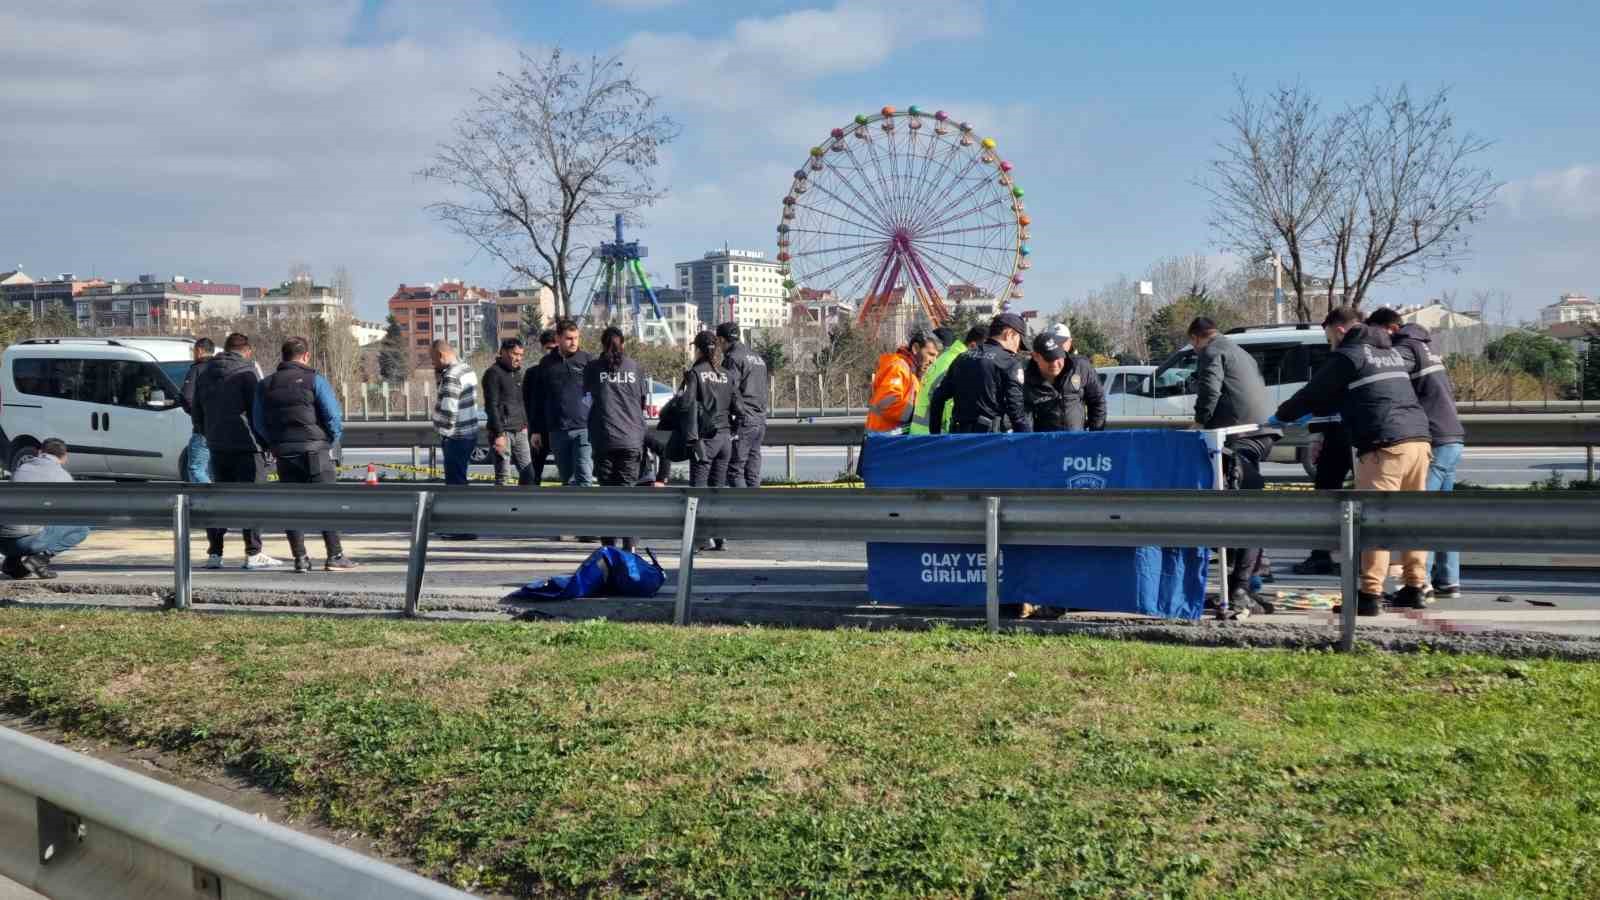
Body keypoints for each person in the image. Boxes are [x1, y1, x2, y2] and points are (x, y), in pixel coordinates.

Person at [1272, 307, 1433, 615]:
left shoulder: (1349, 354)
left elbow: (1313, 393)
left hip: (1385, 445)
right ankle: (1415, 587)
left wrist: (1280, 416)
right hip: (1419, 441)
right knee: (1411, 518)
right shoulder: (1390, 353)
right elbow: (1350, 394)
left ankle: (1369, 595)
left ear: (1340, 330)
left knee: (1373, 520)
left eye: (1328, 335)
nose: (1329, 341)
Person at [1367, 307, 1465, 600]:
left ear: (1390, 329)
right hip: (1452, 437)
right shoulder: (1426, 347)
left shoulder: (1405, 350)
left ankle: (1420, 584)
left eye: (1376, 333)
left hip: (1432, 438)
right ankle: (1448, 580)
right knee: (1440, 515)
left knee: (1417, 513)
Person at [1189, 317, 1281, 617]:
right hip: (1260, 433)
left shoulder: (1213, 352)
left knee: (1243, 512)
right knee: (1243, 506)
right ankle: (1245, 582)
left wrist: (1200, 423)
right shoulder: (1240, 351)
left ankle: (1240, 588)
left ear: (1197, 338)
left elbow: (1210, 391)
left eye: (1193, 345)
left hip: (1239, 437)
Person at [253, 337, 360, 573]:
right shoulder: (315, 380)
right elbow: (333, 416)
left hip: (284, 453)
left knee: (292, 506)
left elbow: (258, 422)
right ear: (306, 356)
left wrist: (272, 444)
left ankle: (300, 558)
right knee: (327, 504)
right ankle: (335, 555)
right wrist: (328, 440)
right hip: (315, 451)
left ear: (283, 356)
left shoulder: (265, 385)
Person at [193, 332, 282, 570]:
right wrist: (266, 443)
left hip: (216, 445)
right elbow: (257, 413)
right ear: (248, 350)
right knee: (252, 499)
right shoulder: (246, 372)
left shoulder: (205, 372)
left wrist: (207, 432)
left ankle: (215, 554)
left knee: (219, 500)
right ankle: (253, 554)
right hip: (246, 446)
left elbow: (196, 409)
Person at [585, 326, 649, 548]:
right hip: (632, 439)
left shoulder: (592, 368)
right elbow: (641, 403)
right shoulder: (635, 367)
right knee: (628, 496)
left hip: (604, 439)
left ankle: (609, 548)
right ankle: (630, 546)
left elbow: (586, 401)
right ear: (623, 344)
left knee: (607, 497)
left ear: (602, 345)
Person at [680, 331, 742, 551]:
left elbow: (687, 406)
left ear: (698, 349)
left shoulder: (695, 373)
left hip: (704, 441)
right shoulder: (727, 375)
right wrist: (731, 429)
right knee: (718, 489)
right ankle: (720, 537)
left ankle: (699, 540)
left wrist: (692, 438)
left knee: (698, 490)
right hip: (725, 439)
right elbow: (739, 409)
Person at [928, 313, 1032, 434]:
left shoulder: (962, 357)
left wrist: (935, 435)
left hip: (959, 440)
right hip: (989, 442)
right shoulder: (1009, 363)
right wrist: (1028, 444)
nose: (1018, 349)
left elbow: (937, 398)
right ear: (1009, 334)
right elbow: (1016, 413)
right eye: (1019, 342)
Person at [0, 439, 89, 579]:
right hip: (27, 543)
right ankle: (39, 559)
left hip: (2, 543)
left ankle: (12, 563)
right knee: (81, 527)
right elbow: (71, 510)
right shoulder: (62, 477)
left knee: (23, 520)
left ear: (39, 452)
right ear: (64, 457)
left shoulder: (21, 469)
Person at [529, 319, 593, 486]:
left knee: (584, 475)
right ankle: (572, 512)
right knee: (567, 479)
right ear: (558, 339)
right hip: (557, 430)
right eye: (569, 338)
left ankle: (589, 511)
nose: (574, 342)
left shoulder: (587, 360)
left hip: (584, 428)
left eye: (576, 338)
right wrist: (536, 430)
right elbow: (538, 398)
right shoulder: (546, 364)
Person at [718, 322, 769, 487]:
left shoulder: (733, 358)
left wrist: (734, 414)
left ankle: (739, 511)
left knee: (735, 470)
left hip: (745, 419)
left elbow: (728, 389)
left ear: (722, 340)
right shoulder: (757, 357)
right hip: (760, 419)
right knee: (752, 471)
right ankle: (755, 509)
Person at [1024, 330, 1106, 432]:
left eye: (1058, 357)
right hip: (1046, 444)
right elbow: (1025, 418)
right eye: (1048, 359)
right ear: (1036, 356)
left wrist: (1094, 436)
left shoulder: (1080, 367)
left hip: (1077, 441)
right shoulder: (1026, 379)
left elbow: (1097, 401)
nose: (1055, 364)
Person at [910, 325, 986, 434]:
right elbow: (943, 400)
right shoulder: (958, 362)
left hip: (922, 431)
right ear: (972, 346)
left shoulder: (949, 358)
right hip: (930, 435)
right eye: (984, 350)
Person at [482, 337, 533, 487]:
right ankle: (502, 509)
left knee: (528, 474)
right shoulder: (493, 374)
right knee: (504, 478)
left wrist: (525, 425)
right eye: (515, 354)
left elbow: (521, 401)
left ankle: (523, 507)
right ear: (503, 352)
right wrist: (499, 434)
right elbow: (491, 405)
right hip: (503, 433)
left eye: (521, 355)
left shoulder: (518, 374)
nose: (518, 358)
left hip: (520, 430)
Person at [866, 330, 938, 433]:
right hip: (883, 440)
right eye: (930, 354)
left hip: (888, 440)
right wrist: (919, 414)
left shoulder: (912, 373)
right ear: (916, 348)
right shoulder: (898, 367)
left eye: (936, 356)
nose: (933, 361)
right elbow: (886, 403)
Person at [522, 329, 558, 485]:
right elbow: (527, 402)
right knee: (534, 472)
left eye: (554, 348)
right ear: (542, 348)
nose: (551, 352)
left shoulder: (568, 370)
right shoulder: (532, 373)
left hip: (561, 429)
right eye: (548, 348)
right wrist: (532, 428)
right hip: (539, 430)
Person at [178, 337, 215, 483]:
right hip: (222, 429)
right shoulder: (220, 368)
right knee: (213, 471)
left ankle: (207, 502)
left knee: (196, 468)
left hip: (202, 430)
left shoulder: (197, 369)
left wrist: (195, 413)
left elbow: (187, 397)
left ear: (199, 351)